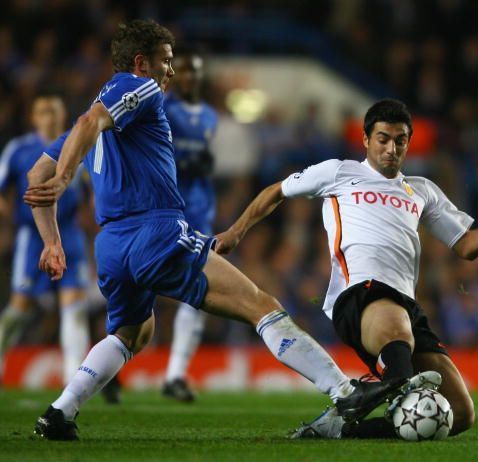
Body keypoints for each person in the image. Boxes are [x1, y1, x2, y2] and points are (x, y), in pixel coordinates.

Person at [24, 20, 422, 441]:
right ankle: (345, 393)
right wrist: (67, 177)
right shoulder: (138, 88)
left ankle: (59, 413)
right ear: (142, 63)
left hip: (112, 246)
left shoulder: (98, 122)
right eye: (166, 61)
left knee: (132, 333)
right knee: (260, 304)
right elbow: (86, 125)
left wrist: (52, 240)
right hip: (154, 232)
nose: (171, 72)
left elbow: (37, 174)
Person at [215, 98, 478, 439]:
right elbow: (276, 191)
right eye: (383, 138)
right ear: (366, 140)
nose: (391, 148)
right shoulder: (339, 172)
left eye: (400, 140)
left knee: (459, 414)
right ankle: (391, 381)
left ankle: (342, 427)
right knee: (397, 337)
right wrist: (236, 232)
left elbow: (466, 246)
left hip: (404, 306)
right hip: (358, 293)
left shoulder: (422, 190)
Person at [0, 92, 90, 387]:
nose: (50, 116)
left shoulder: (77, 144)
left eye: (55, 110)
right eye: (44, 111)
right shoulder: (19, 149)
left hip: (70, 235)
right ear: (34, 117)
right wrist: (11, 215)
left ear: (63, 115)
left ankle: (73, 380)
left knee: (74, 307)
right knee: (19, 308)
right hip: (32, 237)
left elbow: (91, 187)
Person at [160, 49, 218, 402]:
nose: (188, 77)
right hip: (166, 210)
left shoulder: (211, 115)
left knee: (198, 291)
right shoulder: (162, 109)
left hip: (200, 213)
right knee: (140, 286)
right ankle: (110, 362)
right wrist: (184, 162)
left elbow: (206, 162)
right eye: (181, 70)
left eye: (193, 71)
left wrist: (204, 165)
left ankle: (175, 374)